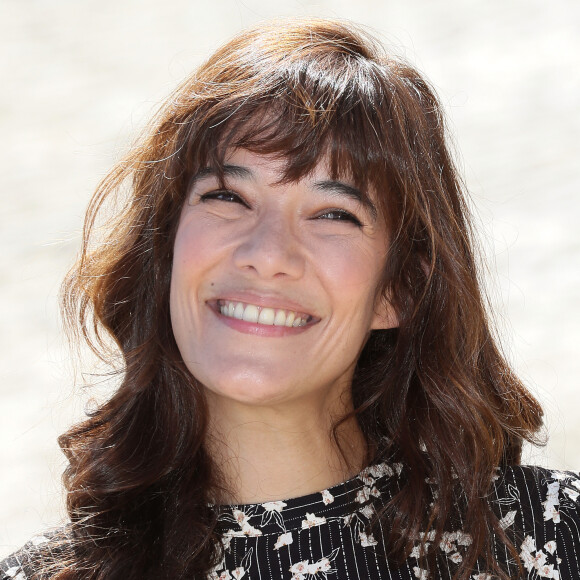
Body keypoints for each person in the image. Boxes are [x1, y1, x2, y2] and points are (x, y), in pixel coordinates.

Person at [2, 17, 579, 580]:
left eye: (334, 213)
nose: (267, 252)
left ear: (398, 291)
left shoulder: (549, 538)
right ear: (166, 249)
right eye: (229, 196)